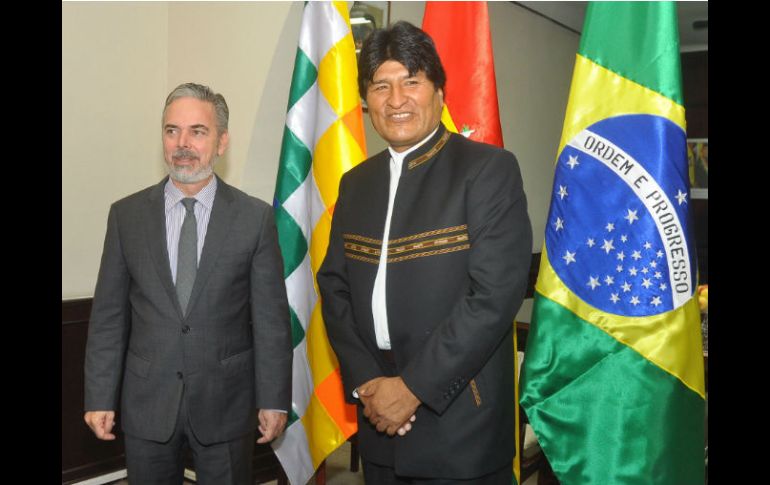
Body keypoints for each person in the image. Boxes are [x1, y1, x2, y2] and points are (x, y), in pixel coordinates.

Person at [317, 21, 533, 484]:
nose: (396, 100)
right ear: (366, 101)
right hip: (378, 420)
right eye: (381, 86)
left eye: (411, 82)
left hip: (459, 425)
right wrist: (369, 384)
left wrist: (412, 389)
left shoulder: (488, 171)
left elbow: (494, 296)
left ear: (439, 91)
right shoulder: (356, 184)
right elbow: (333, 285)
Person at [84, 82, 292, 485]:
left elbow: (270, 321)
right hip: (147, 404)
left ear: (222, 141)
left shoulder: (254, 219)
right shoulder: (126, 217)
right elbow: (108, 317)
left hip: (226, 403)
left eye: (198, 131)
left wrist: (273, 398)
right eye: (171, 130)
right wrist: (99, 396)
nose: (183, 143)